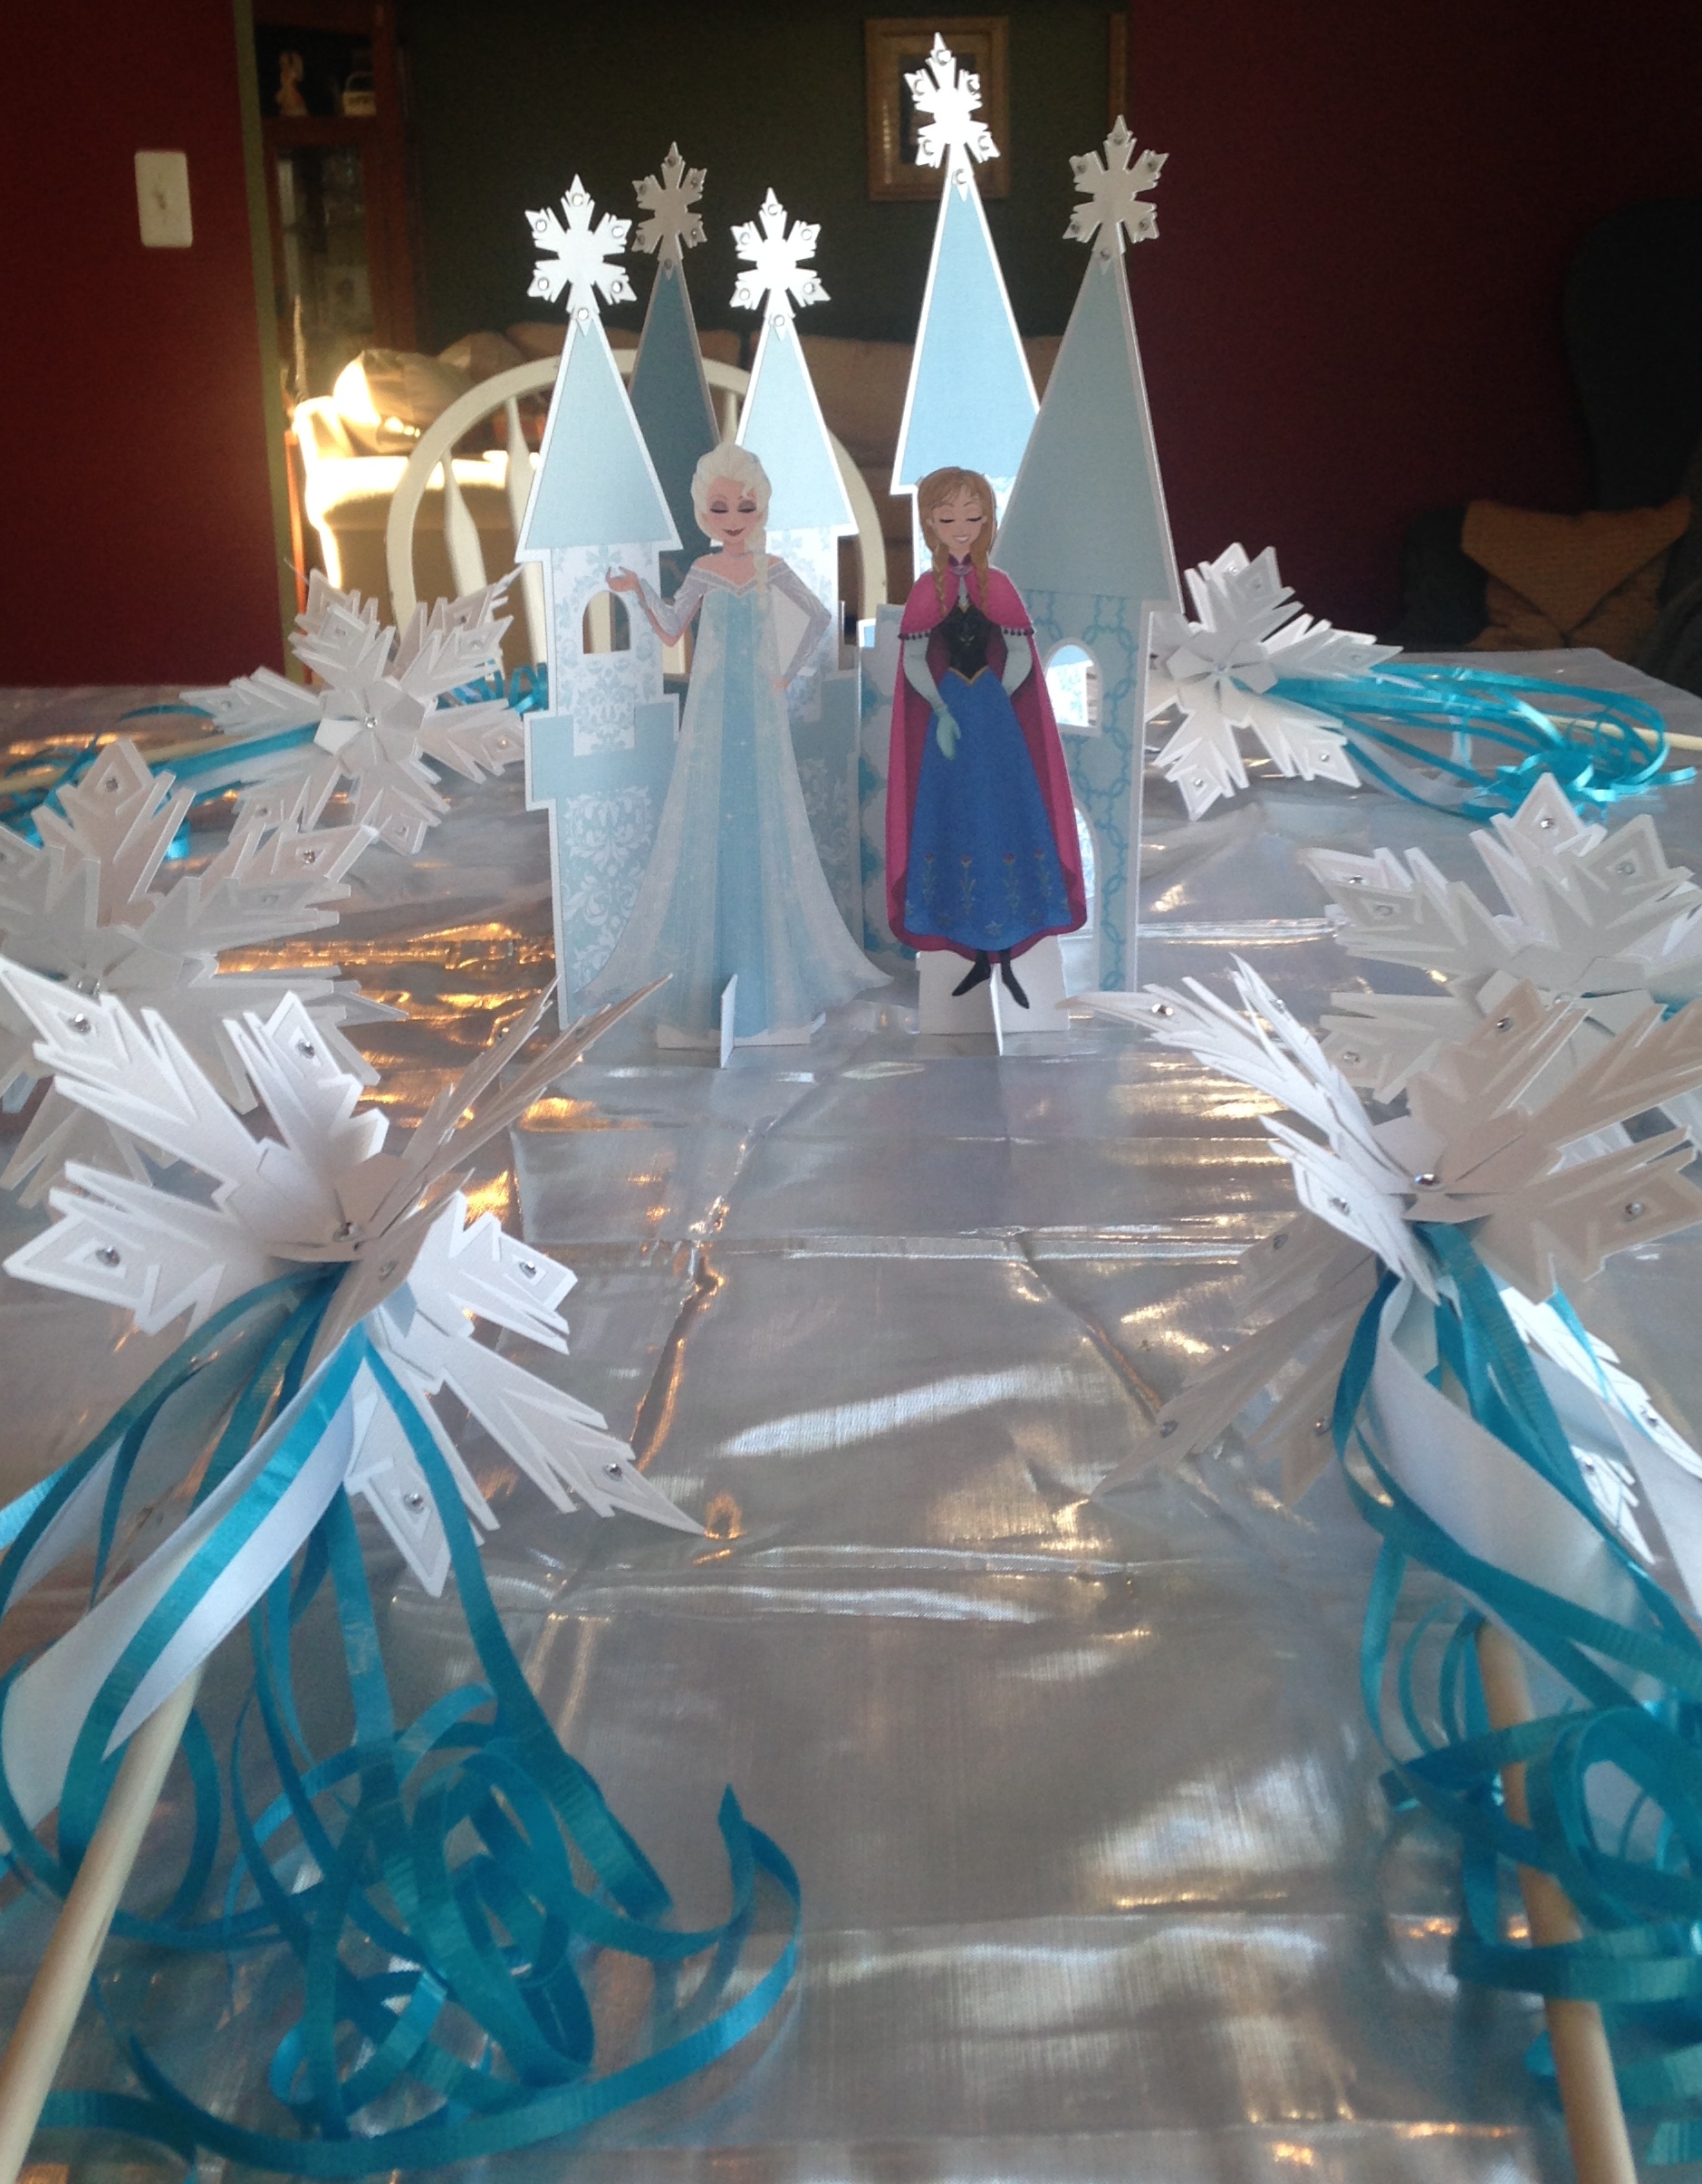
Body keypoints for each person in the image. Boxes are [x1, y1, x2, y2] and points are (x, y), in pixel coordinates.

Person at [591, 443, 886, 1046]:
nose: (733, 518)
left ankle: (767, 982)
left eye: (745, 507)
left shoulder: (769, 568)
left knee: (762, 815)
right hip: (712, 712)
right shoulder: (704, 570)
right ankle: (712, 980)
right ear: (704, 511)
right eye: (720, 507)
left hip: (757, 711)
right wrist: (639, 589)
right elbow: (671, 627)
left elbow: (818, 617)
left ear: (761, 509)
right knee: (708, 815)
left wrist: (785, 672)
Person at [887, 466, 1086, 1004]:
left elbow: (1019, 650)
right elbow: (912, 659)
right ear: (930, 524)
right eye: (948, 518)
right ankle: (976, 955)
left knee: (1006, 816)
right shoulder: (926, 590)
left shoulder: (998, 586)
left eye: (972, 517)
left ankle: (1011, 956)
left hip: (993, 716)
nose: (961, 528)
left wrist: (999, 699)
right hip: (951, 713)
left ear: (986, 522)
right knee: (958, 817)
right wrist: (940, 708)